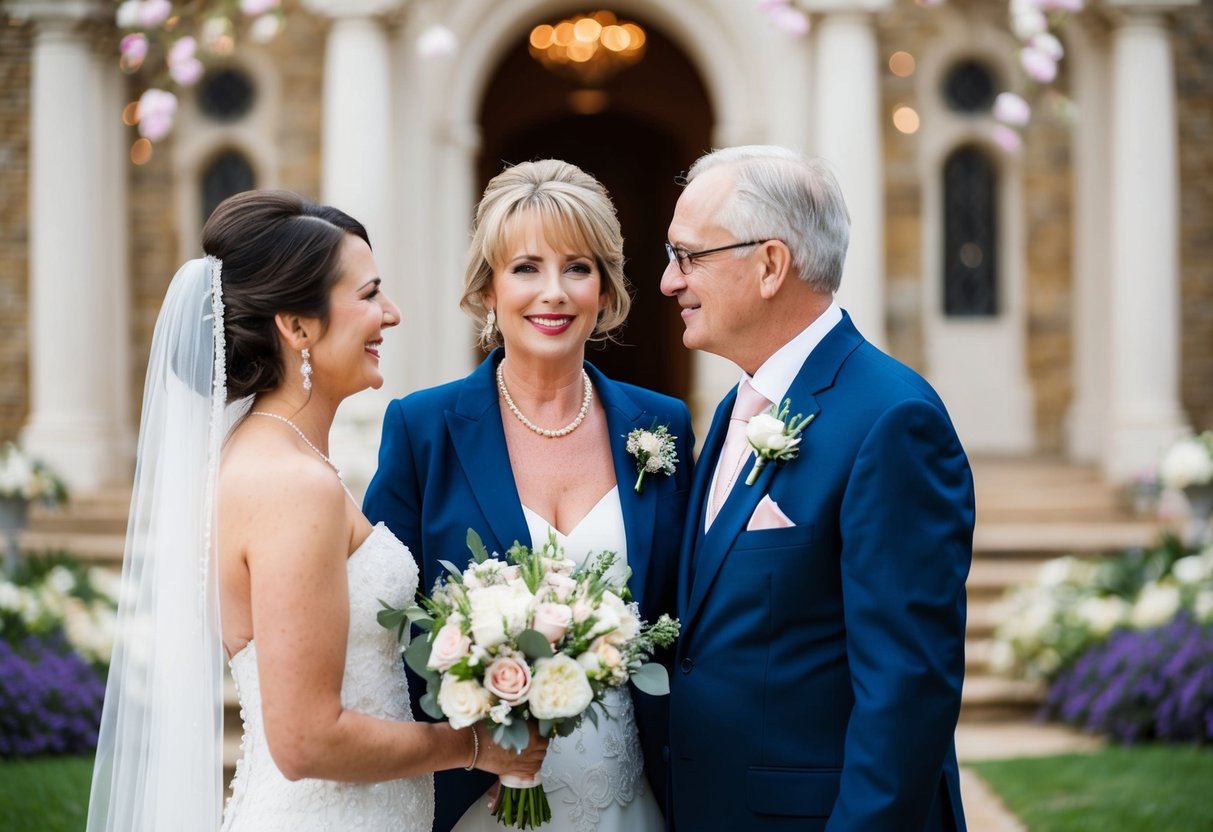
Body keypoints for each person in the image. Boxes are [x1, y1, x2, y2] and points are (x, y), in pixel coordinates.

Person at [86, 190, 545, 832]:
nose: (391, 314)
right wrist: (473, 746)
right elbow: (307, 740)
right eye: (369, 294)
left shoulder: (271, 457)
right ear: (297, 327)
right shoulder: (290, 483)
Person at [364, 159, 693, 832]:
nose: (554, 293)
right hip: (477, 802)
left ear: (604, 288)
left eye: (578, 268)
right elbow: (381, 624)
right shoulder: (423, 430)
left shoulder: (662, 427)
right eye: (525, 268)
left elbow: (684, 617)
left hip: (632, 801)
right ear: (487, 287)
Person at [660, 146, 974, 831]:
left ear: (770, 264)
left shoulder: (892, 420)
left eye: (688, 256)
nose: (668, 281)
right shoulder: (736, 408)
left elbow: (905, 692)